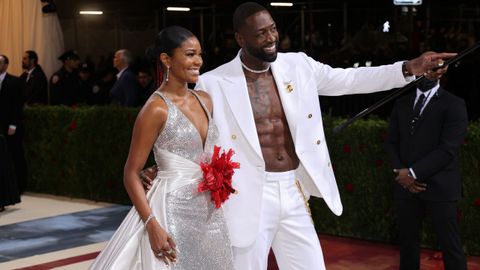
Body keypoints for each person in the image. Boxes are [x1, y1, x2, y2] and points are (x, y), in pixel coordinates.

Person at [142, 3, 455, 269]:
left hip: (293, 189)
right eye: (260, 34)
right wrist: (165, 168)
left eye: (273, 29)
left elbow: (350, 80)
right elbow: (197, 136)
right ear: (240, 38)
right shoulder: (214, 83)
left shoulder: (299, 66)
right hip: (246, 195)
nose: (271, 38)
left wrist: (409, 68)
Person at [90, 26, 234, 269]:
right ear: (166, 59)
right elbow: (130, 172)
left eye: (199, 54)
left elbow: (197, 154)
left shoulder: (205, 100)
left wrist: (160, 166)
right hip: (170, 211)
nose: (197, 61)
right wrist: (152, 225)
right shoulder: (156, 109)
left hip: (209, 212)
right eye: (189, 54)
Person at [385, 75, 468, 270]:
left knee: (450, 245)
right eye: (425, 67)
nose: (429, 72)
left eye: (435, 67)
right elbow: (391, 142)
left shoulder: (454, 104)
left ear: (443, 71)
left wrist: (413, 173)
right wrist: (402, 174)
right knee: (407, 244)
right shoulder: (401, 102)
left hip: (440, 185)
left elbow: (448, 149)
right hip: (405, 186)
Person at [0, 54, 23, 208]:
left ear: (6, 65)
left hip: (9, 126)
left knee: (11, 158)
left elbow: (17, 105)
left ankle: (15, 189)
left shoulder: (14, 81)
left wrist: (13, 125)